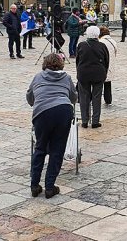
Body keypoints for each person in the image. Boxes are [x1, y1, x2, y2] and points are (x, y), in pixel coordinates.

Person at [26, 53, 77, 199]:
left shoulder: (38, 77)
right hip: (63, 110)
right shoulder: (66, 78)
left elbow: (30, 96)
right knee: (57, 149)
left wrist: (36, 103)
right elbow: (74, 97)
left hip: (42, 112)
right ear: (61, 64)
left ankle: (34, 185)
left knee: (40, 148)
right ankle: (49, 187)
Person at [75, 26, 109, 128]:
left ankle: (85, 120)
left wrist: (79, 71)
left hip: (83, 74)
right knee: (96, 97)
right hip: (98, 74)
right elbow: (106, 61)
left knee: (84, 97)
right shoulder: (102, 46)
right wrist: (104, 72)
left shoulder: (81, 45)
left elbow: (77, 61)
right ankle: (95, 121)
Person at [98, 26, 117, 105]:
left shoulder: (100, 42)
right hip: (111, 64)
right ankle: (108, 99)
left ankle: (97, 99)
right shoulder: (113, 41)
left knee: (98, 84)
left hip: (102, 64)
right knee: (108, 83)